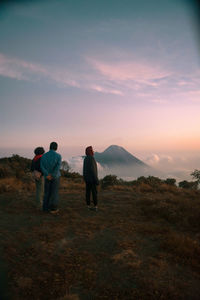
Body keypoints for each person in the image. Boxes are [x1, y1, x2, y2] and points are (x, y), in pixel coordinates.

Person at [40, 142, 62, 213]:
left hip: (47, 177)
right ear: (56, 147)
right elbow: (57, 167)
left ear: (50, 147)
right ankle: (53, 209)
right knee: (54, 192)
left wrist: (47, 175)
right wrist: (52, 175)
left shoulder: (44, 156)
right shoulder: (58, 156)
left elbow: (42, 166)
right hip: (56, 177)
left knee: (47, 192)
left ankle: (45, 208)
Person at [83, 146, 99, 211]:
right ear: (90, 151)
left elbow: (84, 170)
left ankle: (88, 206)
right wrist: (96, 180)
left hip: (87, 179)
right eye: (92, 150)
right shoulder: (92, 158)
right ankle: (95, 206)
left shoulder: (85, 159)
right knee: (94, 193)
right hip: (92, 179)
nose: (93, 151)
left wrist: (85, 178)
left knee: (88, 193)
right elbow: (93, 170)